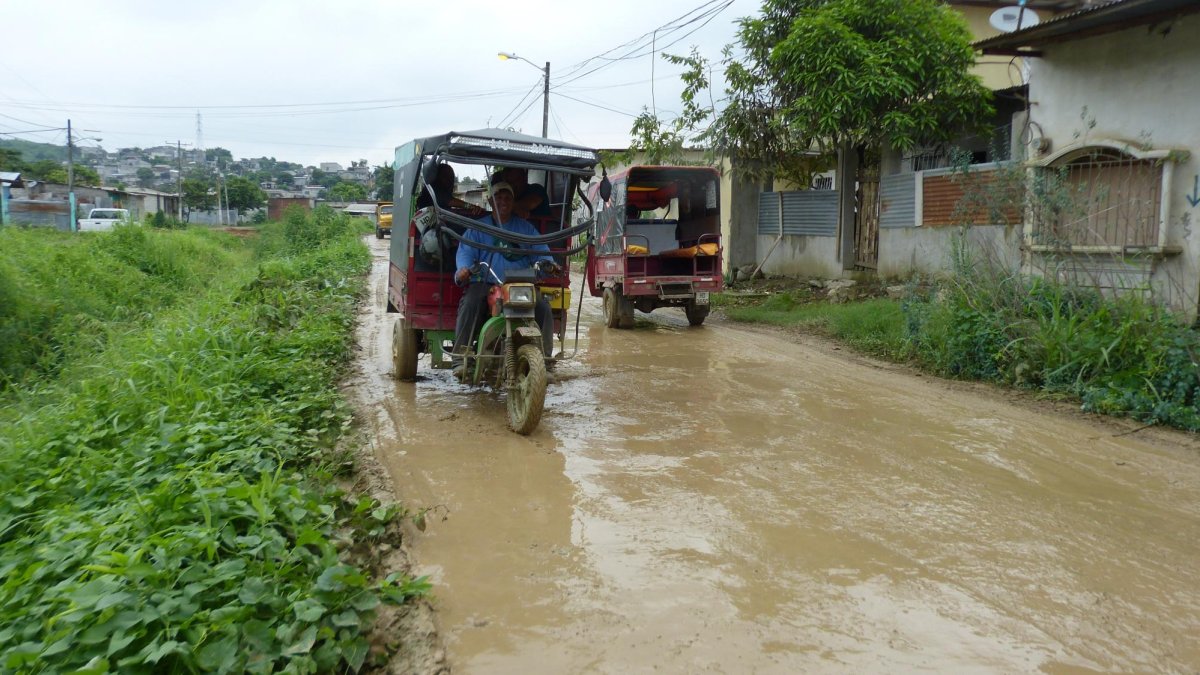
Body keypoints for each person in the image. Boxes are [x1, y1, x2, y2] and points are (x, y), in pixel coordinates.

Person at [452, 181, 557, 376]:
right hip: (486, 283)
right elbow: (465, 253)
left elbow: (542, 252)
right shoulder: (477, 229)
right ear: (491, 201)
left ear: (513, 201)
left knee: (543, 307)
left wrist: (548, 264)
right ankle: (460, 358)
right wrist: (464, 270)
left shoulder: (525, 229)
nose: (503, 201)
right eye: (499, 197)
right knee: (470, 302)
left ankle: (547, 362)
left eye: (507, 198)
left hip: (519, 286)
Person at [417, 163, 483, 214]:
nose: (450, 180)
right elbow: (450, 201)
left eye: (451, 177)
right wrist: (472, 207)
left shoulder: (439, 190)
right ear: (438, 176)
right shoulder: (433, 188)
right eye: (446, 176)